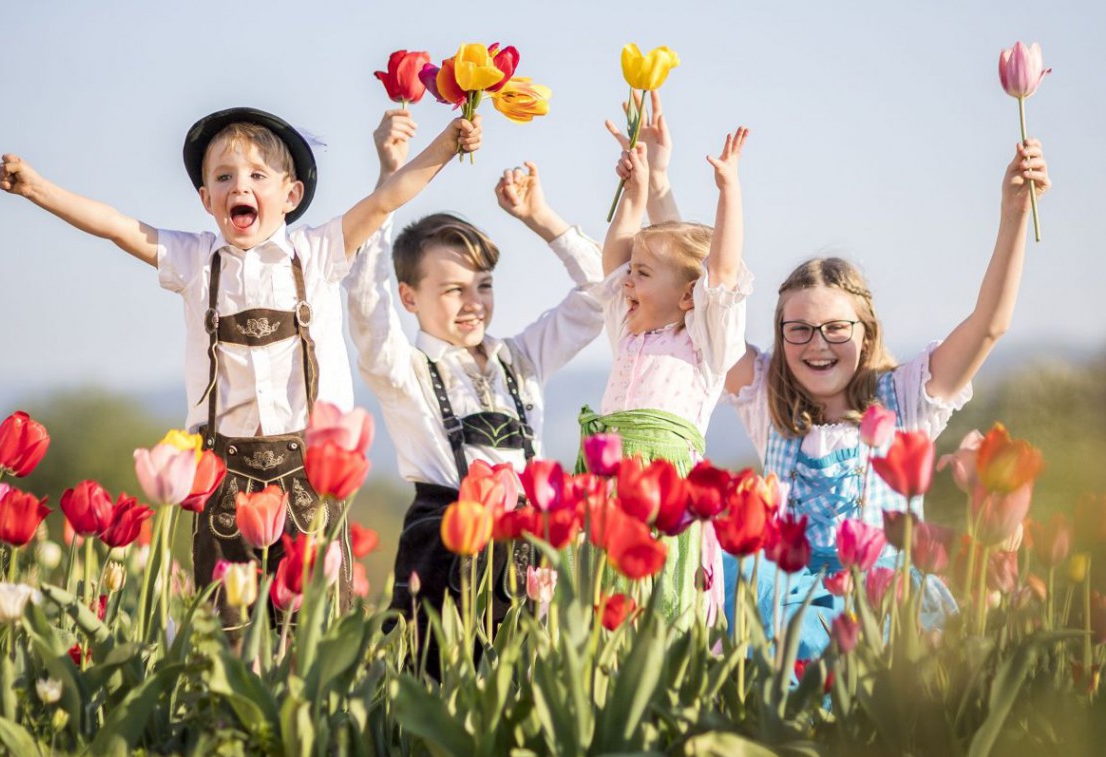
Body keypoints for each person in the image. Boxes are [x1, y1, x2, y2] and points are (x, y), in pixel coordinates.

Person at [0, 106, 481, 628]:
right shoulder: (195, 261)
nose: (238, 186)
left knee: (313, 630)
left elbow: (388, 199)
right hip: (223, 474)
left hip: (308, 474)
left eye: (256, 176)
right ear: (207, 200)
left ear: (290, 195)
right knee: (230, 629)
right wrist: (37, 189)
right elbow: (118, 227)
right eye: (223, 177)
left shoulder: (316, 254)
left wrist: (446, 146)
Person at [717, 138, 1052, 658]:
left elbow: (990, 326)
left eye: (835, 327)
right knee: (738, 573)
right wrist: (666, 188)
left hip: (883, 595)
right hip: (789, 597)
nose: (818, 343)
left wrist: (1013, 215)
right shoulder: (770, 403)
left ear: (866, 332)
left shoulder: (904, 400)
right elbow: (710, 320)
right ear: (780, 336)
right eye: (799, 330)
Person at [344, 109, 606, 674]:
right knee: (437, 678)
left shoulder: (523, 358)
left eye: (483, 287)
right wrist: (388, 186)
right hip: (444, 538)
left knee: (522, 684)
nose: (474, 304)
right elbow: (366, 305)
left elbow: (597, 298)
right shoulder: (404, 370)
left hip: (525, 539)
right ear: (410, 298)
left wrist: (541, 218)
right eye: (454, 290)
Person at [581, 105, 753, 623]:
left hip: (669, 489)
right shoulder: (628, 334)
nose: (626, 282)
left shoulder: (704, 344)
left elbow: (721, 273)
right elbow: (613, 260)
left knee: (668, 606)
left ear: (687, 297)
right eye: (631, 273)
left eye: (643, 274)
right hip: (610, 483)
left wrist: (729, 191)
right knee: (605, 608)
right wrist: (634, 194)